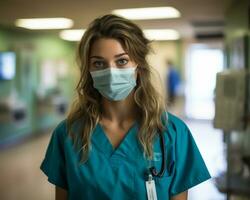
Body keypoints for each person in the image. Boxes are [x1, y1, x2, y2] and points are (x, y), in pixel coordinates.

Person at [40, 14, 211, 200]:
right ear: (89, 71)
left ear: (138, 67)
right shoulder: (68, 134)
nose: (111, 72)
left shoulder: (172, 132)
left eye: (121, 61)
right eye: (99, 63)